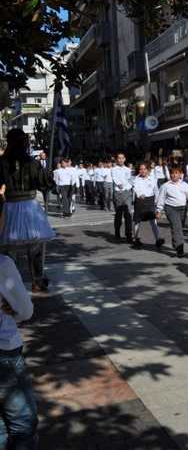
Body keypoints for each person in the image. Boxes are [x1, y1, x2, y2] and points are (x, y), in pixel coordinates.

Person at [0, 129, 56, 292]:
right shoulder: (31, 162)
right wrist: (48, 177)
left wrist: (46, 177)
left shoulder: (3, 162)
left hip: (10, 206)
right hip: (28, 206)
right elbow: (44, 184)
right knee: (35, 246)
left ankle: (11, 284)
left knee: (9, 248)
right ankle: (36, 280)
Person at [0, 255, 38, 447]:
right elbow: (25, 311)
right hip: (3, 353)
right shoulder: (2, 264)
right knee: (23, 426)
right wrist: (10, 310)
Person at [155, 166, 188, 257]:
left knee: (179, 228)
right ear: (170, 175)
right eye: (172, 173)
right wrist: (159, 210)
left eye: (176, 173)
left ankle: (176, 243)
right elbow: (161, 198)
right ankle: (180, 249)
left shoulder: (184, 185)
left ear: (180, 175)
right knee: (176, 227)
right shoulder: (165, 186)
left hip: (182, 208)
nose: (174, 175)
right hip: (171, 209)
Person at [132, 163, 164, 249]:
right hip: (140, 201)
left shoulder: (152, 179)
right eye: (141, 169)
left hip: (150, 201)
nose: (142, 171)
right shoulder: (136, 179)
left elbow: (156, 190)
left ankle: (158, 239)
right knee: (137, 221)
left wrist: (157, 202)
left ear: (148, 170)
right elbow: (135, 188)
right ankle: (136, 239)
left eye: (144, 169)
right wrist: (139, 194)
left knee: (153, 221)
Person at [111, 153, 134, 243]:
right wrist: (119, 184)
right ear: (117, 160)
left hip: (127, 193)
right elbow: (115, 179)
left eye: (122, 158)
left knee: (128, 214)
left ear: (124, 159)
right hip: (118, 193)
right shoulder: (113, 169)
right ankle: (117, 231)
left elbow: (130, 180)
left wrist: (128, 187)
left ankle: (129, 234)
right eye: (119, 158)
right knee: (119, 214)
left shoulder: (128, 169)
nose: (120, 160)